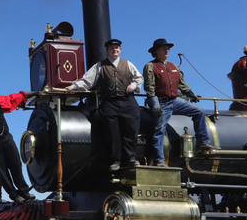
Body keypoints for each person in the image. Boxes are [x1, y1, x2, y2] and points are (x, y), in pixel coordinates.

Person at [67, 38, 143, 171]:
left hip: (128, 102)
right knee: (113, 133)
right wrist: (73, 86)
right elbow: (87, 81)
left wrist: (133, 85)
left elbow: (139, 77)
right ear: (107, 51)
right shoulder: (99, 66)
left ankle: (131, 158)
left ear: (120, 50)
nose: (115, 50)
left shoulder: (128, 64)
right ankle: (115, 161)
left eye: (117, 47)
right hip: (109, 103)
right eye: (112, 48)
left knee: (131, 131)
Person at [143, 38, 218, 166]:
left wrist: (191, 94)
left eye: (168, 49)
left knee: (199, 111)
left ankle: (202, 142)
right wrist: (154, 103)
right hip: (161, 102)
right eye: (163, 49)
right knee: (159, 130)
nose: (167, 50)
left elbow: (182, 84)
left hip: (175, 100)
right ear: (156, 51)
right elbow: (149, 86)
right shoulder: (150, 66)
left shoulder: (173, 66)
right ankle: (159, 160)